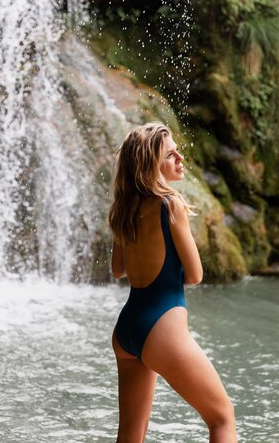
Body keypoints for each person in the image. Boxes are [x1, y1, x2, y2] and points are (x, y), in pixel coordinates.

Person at [109, 122, 238, 443]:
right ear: (151, 165)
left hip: (127, 330)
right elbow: (195, 275)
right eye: (170, 154)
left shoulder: (123, 209)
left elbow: (118, 270)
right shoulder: (171, 205)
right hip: (162, 327)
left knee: (130, 435)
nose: (180, 158)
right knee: (222, 418)